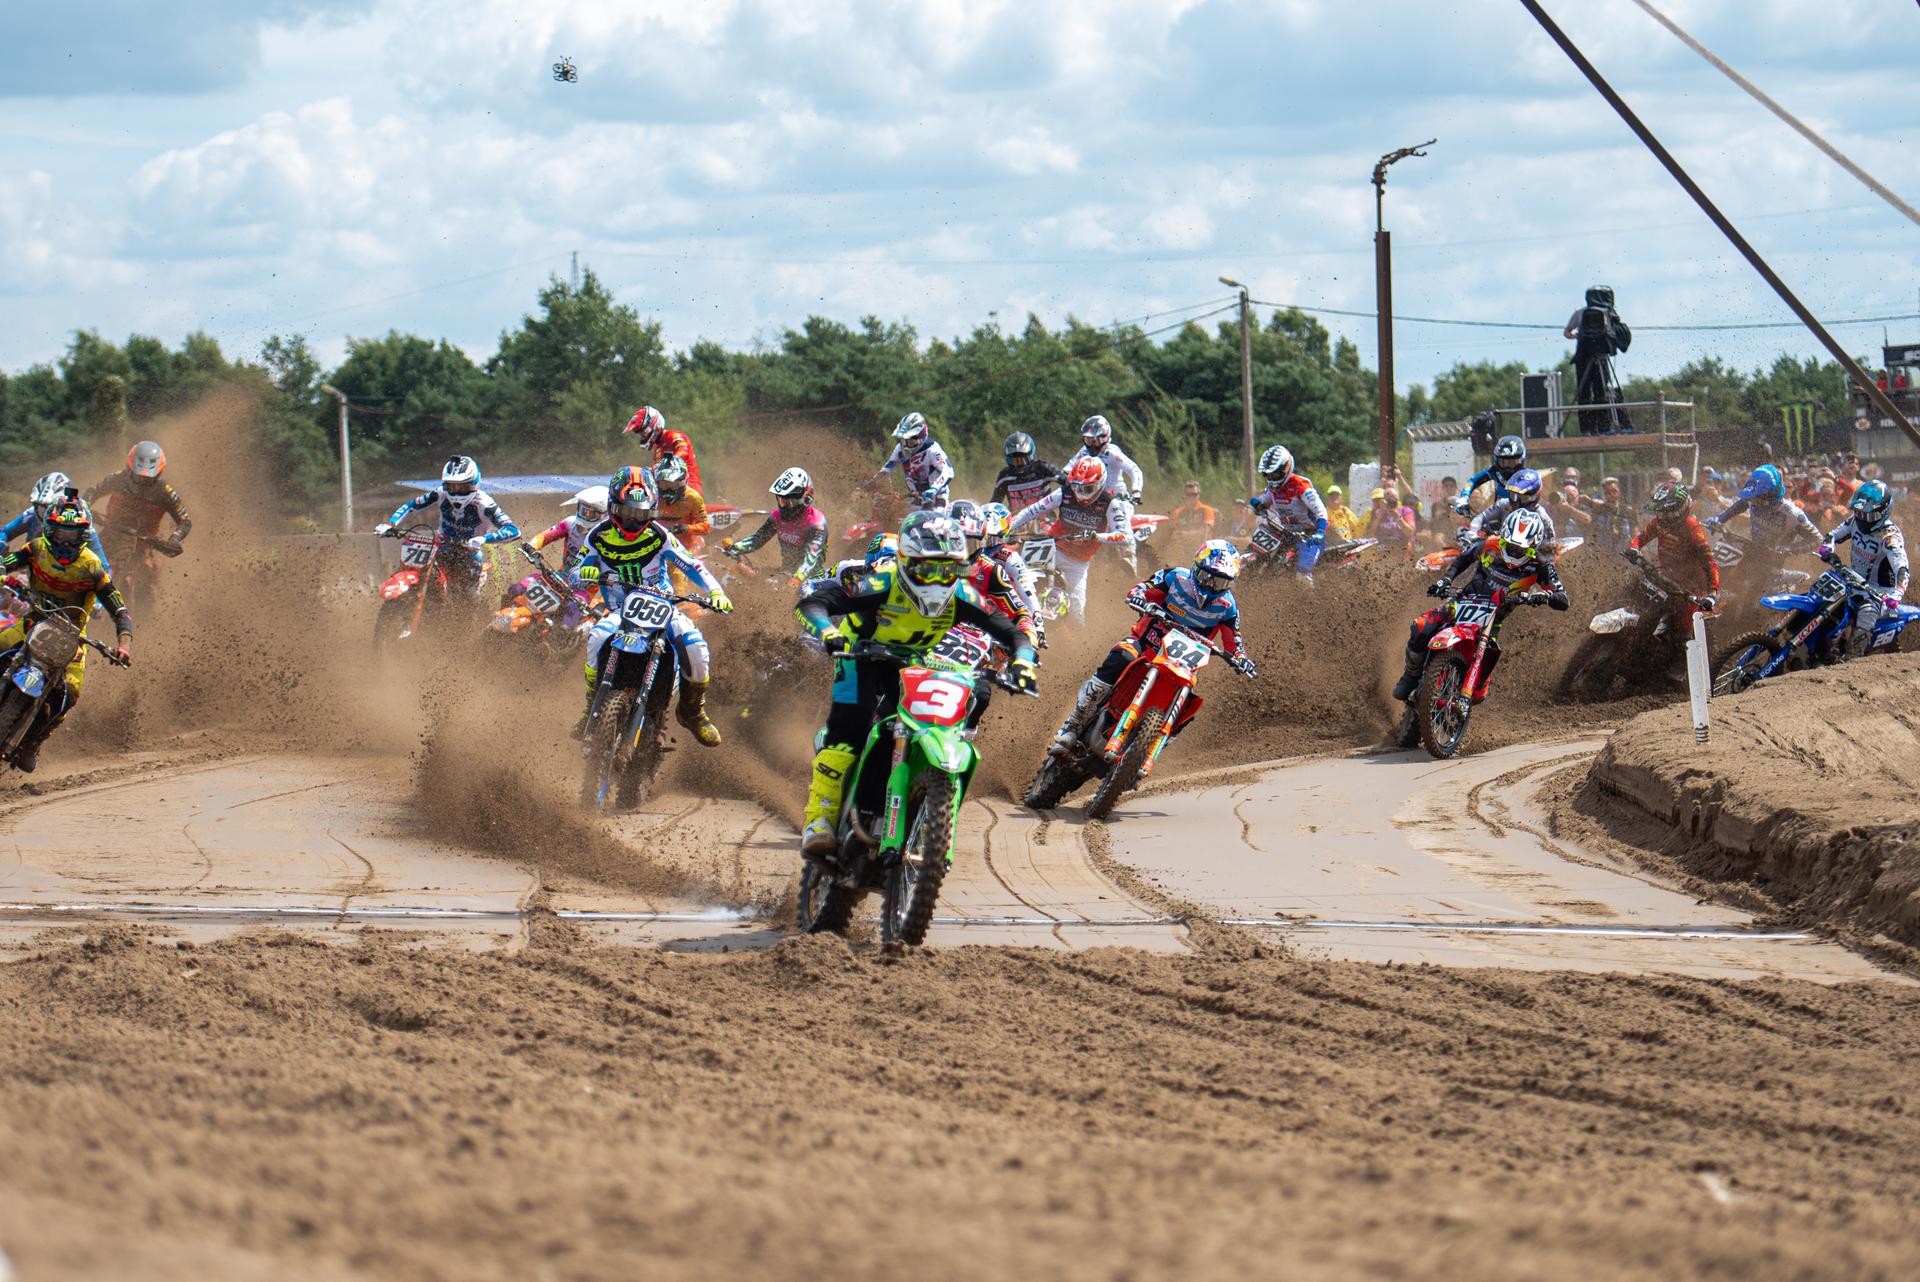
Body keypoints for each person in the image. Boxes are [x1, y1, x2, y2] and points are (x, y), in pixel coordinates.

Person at [793, 510, 1038, 853]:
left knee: (926, 720)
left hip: (911, 661)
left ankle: (906, 802)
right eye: (927, 568)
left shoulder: (962, 597)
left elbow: (1012, 632)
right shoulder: (883, 582)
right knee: (852, 724)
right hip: (858, 654)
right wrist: (829, 631)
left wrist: (1023, 663)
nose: (937, 579)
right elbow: (814, 603)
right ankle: (819, 818)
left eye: (948, 569)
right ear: (906, 561)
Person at [1049, 540, 1256, 756]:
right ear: (1197, 567)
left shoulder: (1227, 607)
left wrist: (1241, 658)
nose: (1212, 586)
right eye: (1208, 577)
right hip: (1145, 645)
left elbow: (1235, 642)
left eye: (1221, 583)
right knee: (1121, 657)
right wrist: (1139, 598)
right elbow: (1142, 589)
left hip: (1182, 665)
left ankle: (1145, 753)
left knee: (1187, 706)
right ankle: (1072, 725)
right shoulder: (1174, 577)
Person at [575, 466, 733, 746]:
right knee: (597, 636)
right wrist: (583, 573)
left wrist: (716, 591)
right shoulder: (597, 536)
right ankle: (590, 708)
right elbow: (576, 569)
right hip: (620, 610)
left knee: (696, 646)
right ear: (613, 507)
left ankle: (693, 712)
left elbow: (692, 564)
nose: (634, 521)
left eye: (642, 514)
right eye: (628, 512)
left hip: (661, 605)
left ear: (652, 511)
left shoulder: (659, 535)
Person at [0, 501, 133, 772]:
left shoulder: (93, 567)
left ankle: (34, 743)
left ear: (83, 534)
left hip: (72, 638)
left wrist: (123, 645)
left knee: (70, 695)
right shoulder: (35, 548)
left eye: (72, 534)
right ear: (49, 530)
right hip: (32, 621)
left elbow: (119, 609)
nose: (65, 540)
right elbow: (7, 562)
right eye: (60, 533)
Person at [1392, 508, 1569, 703]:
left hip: (1494, 617)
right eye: (1508, 545)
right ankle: (1410, 675)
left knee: (1480, 685)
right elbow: (1464, 558)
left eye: (1520, 549)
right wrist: (1445, 580)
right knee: (1420, 627)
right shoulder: (1490, 545)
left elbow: (1562, 599)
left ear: (1533, 545)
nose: (1512, 552)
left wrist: (1542, 596)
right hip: (1463, 601)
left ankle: (1467, 688)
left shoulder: (1541, 565)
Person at [1007, 456, 1134, 626]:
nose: (1080, 494)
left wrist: (1096, 536)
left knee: (1076, 614)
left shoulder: (1111, 503)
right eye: (1076, 487)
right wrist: (1007, 528)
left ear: (1100, 484)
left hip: (1078, 561)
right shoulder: (1064, 492)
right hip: (1049, 544)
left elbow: (1125, 535)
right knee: (1017, 581)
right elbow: (1032, 510)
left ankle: (1072, 646)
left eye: (1088, 489)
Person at [376, 455, 520, 598]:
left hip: (468, 553)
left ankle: (474, 617)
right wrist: (390, 524)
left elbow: (513, 530)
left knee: (467, 597)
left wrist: (483, 539)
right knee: (418, 571)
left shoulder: (484, 503)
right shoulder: (440, 493)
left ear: (474, 482)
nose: (456, 490)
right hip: (440, 546)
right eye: (451, 486)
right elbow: (412, 506)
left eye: (462, 486)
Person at [84, 441, 190, 594]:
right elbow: (93, 491)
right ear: (129, 468)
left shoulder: (164, 491)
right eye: (138, 476)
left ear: (159, 474)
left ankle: (143, 614)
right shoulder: (119, 478)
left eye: (147, 479)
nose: (141, 482)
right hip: (112, 533)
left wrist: (174, 540)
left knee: (146, 581)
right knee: (84, 564)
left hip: (143, 541)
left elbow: (185, 520)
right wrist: (85, 508)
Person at [1821, 479, 1909, 658]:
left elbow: (1902, 567)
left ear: (1883, 512)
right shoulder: (1855, 520)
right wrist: (1827, 549)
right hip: (1852, 580)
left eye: (1869, 516)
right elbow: (1832, 535)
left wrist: (1897, 594)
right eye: (1860, 513)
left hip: (1879, 591)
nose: (1863, 519)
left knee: (1867, 612)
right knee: (1822, 593)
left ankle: (1854, 657)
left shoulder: (1890, 537)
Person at [950, 499, 1040, 650]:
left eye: (969, 543)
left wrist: (1030, 635)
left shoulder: (992, 569)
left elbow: (1021, 610)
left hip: (975, 638)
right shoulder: (922, 560)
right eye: (954, 541)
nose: (961, 552)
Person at [1628, 482, 1720, 629]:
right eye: (1660, 511)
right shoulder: (1659, 523)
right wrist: (1634, 548)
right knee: (1635, 600)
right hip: (1664, 578)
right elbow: (1642, 537)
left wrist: (1712, 594)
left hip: (1689, 588)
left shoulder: (1693, 529)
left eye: (1667, 511)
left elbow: (1710, 563)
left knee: (1681, 631)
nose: (1662, 516)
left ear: (1679, 510)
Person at [722, 468, 830, 588]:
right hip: (785, 572)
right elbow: (757, 539)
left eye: (791, 501)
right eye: (782, 501)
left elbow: (811, 558)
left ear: (806, 499)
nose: (786, 506)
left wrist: (798, 578)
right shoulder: (777, 517)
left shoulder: (816, 523)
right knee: (739, 572)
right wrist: (736, 548)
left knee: (769, 584)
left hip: (812, 579)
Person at [1244, 445, 1328, 577]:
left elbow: (1320, 510)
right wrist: (1257, 505)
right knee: (1268, 561)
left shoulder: (1301, 486)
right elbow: (1264, 500)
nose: (1271, 478)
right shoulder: (1272, 487)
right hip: (1287, 534)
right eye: (1268, 474)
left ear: (1285, 468)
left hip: (1309, 536)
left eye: (1275, 473)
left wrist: (1320, 532)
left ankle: (1312, 597)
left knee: (1303, 570)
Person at [1704, 465, 1822, 554]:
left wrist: (1789, 548)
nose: (1754, 501)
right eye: (1753, 497)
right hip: (1752, 550)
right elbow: (1739, 505)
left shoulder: (1793, 514)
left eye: (1758, 498)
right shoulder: (1753, 498)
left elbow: (1817, 539)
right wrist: (1719, 519)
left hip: (1774, 562)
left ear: (1771, 495)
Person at [1, 472, 110, 568]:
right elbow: (6, 532)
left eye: (50, 508)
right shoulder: (32, 514)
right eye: (41, 508)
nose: (45, 515)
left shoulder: (80, 526)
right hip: (32, 573)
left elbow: (103, 566)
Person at [1564, 285, 1632, 434]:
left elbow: (1566, 332)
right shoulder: (1609, 313)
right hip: (1596, 357)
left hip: (1584, 357)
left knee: (1586, 393)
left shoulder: (1580, 312)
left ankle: (1588, 429)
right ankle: (1603, 428)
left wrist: (1578, 336)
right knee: (1599, 392)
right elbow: (1615, 334)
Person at [871, 411, 954, 511]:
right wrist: (870, 484)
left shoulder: (932, 450)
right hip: (915, 499)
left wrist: (934, 488)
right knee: (895, 515)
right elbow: (886, 470)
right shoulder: (900, 450)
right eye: (903, 440)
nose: (905, 444)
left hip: (937, 499)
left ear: (919, 438)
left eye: (910, 440)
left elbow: (948, 471)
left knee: (932, 523)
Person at [1461, 469, 1557, 549]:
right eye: (1514, 495)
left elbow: (1550, 546)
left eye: (1523, 498)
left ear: (1535, 496)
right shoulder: (1504, 504)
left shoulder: (1543, 517)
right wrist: (1473, 532)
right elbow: (1480, 518)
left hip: (1527, 561)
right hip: (1499, 551)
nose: (1517, 501)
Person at [624, 405, 703, 498]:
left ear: (655, 426)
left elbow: (683, 450)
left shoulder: (673, 435)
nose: (642, 437)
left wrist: (666, 463)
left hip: (689, 487)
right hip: (671, 489)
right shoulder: (658, 449)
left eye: (643, 433)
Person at [1066, 415, 1145, 505]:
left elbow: (1134, 470)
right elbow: (1070, 466)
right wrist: (1062, 475)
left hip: (1116, 499)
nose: (1091, 445)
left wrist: (1136, 492)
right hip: (1090, 497)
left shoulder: (1113, 453)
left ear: (1104, 437)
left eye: (1094, 441)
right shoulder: (1084, 451)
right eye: (1087, 440)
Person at [527, 485, 608, 573]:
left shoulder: (610, 538)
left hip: (592, 585)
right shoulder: (569, 523)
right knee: (523, 585)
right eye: (583, 510)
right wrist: (532, 546)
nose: (586, 515)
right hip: (563, 575)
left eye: (592, 514)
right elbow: (545, 536)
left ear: (605, 515)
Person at [652, 455, 711, 551]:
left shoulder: (692, 497)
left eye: (673, 484)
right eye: (664, 484)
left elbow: (705, 528)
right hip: (656, 547)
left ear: (683, 481)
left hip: (684, 549)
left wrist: (685, 528)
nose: (668, 489)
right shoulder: (652, 496)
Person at [1458, 435, 1529, 512]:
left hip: (1524, 513)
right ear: (1497, 460)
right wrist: (1464, 497)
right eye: (1503, 462)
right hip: (1499, 514)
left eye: (1512, 462)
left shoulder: (1529, 476)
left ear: (1521, 460)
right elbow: (1472, 481)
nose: (1507, 468)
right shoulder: (1493, 471)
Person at [992, 432, 1059, 511]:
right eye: (1015, 460)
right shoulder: (1005, 476)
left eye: (1023, 459)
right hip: (1016, 521)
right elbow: (994, 505)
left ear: (1031, 454)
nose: (1020, 464)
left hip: (1046, 520)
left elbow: (1069, 483)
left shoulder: (1042, 469)